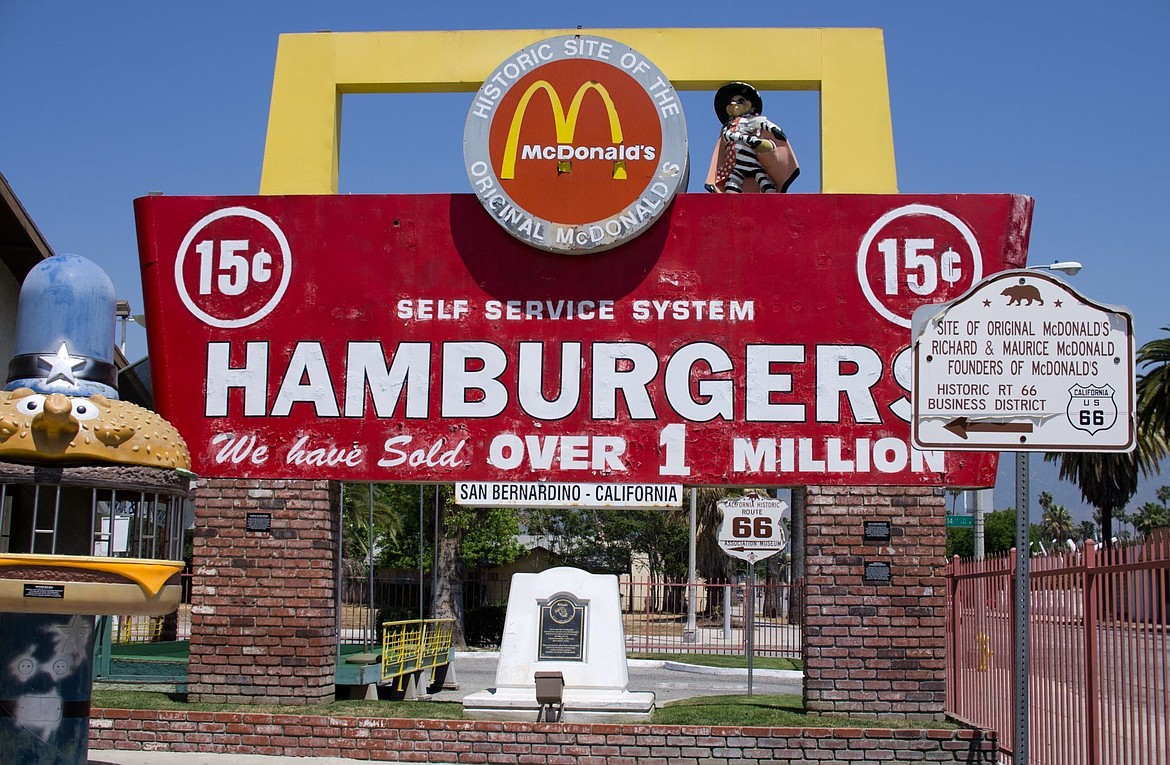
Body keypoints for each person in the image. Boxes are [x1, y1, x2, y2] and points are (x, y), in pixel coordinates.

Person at [705, 82, 799, 194]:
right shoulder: (729, 126)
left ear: (748, 105)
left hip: (752, 161)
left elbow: (764, 123)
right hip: (736, 164)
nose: (734, 103)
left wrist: (775, 130)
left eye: (739, 101)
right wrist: (748, 139)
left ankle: (771, 197)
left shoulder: (751, 120)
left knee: (765, 182)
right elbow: (728, 136)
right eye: (731, 102)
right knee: (731, 186)